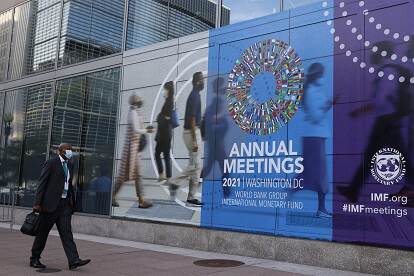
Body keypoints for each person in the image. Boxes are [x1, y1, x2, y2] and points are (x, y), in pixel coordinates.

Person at [337, 41, 414, 203]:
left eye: (375, 51)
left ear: (381, 53)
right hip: (390, 121)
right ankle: (353, 190)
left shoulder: (387, 72)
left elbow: (380, 100)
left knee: (394, 158)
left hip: (387, 122)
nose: (372, 55)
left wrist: (360, 110)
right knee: (375, 156)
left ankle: (353, 190)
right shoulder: (390, 70)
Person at [31, 143, 91, 270]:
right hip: (49, 205)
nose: (69, 151)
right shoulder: (51, 162)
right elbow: (42, 183)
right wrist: (37, 203)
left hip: (64, 205)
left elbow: (68, 184)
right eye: (67, 149)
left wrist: (71, 201)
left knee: (67, 233)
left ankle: (74, 260)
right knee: (42, 233)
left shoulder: (70, 164)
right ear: (60, 151)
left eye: (71, 150)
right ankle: (34, 258)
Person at [294, 63, 334, 218]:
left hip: (316, 136)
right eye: (322, 75)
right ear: (317, 75)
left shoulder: (313, 90)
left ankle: (291, 193)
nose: (323, 78)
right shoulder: (310, 91)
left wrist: (326, 105)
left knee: (309, 172)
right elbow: (317, 116)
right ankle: (321, 209)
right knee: (319, 174)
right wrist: (328, 104)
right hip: (314, 136)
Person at [112, 95, 153, 208]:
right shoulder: (133, 113)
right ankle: (112, 197)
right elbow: (135, 129)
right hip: (131, 150)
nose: (141, 101)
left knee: (136, 175)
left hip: (134, 149)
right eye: (140, 100)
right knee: (123, 177)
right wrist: (146, 130)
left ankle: (141, 200)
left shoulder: (135, 112)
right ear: (136, 102)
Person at [171, 72, 204, 206]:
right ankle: (175, 182)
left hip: (192, 132)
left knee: (195, 167)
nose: (203, 82)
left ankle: (191, 197)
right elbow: (191, 118)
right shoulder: (194, 96)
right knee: (195, 166)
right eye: (202, 79)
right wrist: (195, 139)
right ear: (197, 82)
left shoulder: (195, 95)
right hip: (191, 132)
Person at [155, 81, 174, 183]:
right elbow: (165, 117)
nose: (164, 91)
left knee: (158, 154)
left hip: (164, 133)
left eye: (165, 89)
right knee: (165, 155)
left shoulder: (169, 101)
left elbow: (167, 117)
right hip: (166, 132)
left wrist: (160, 116)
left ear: (168, 90)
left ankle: (163, 175)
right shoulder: (168, 101)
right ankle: (167, 177)